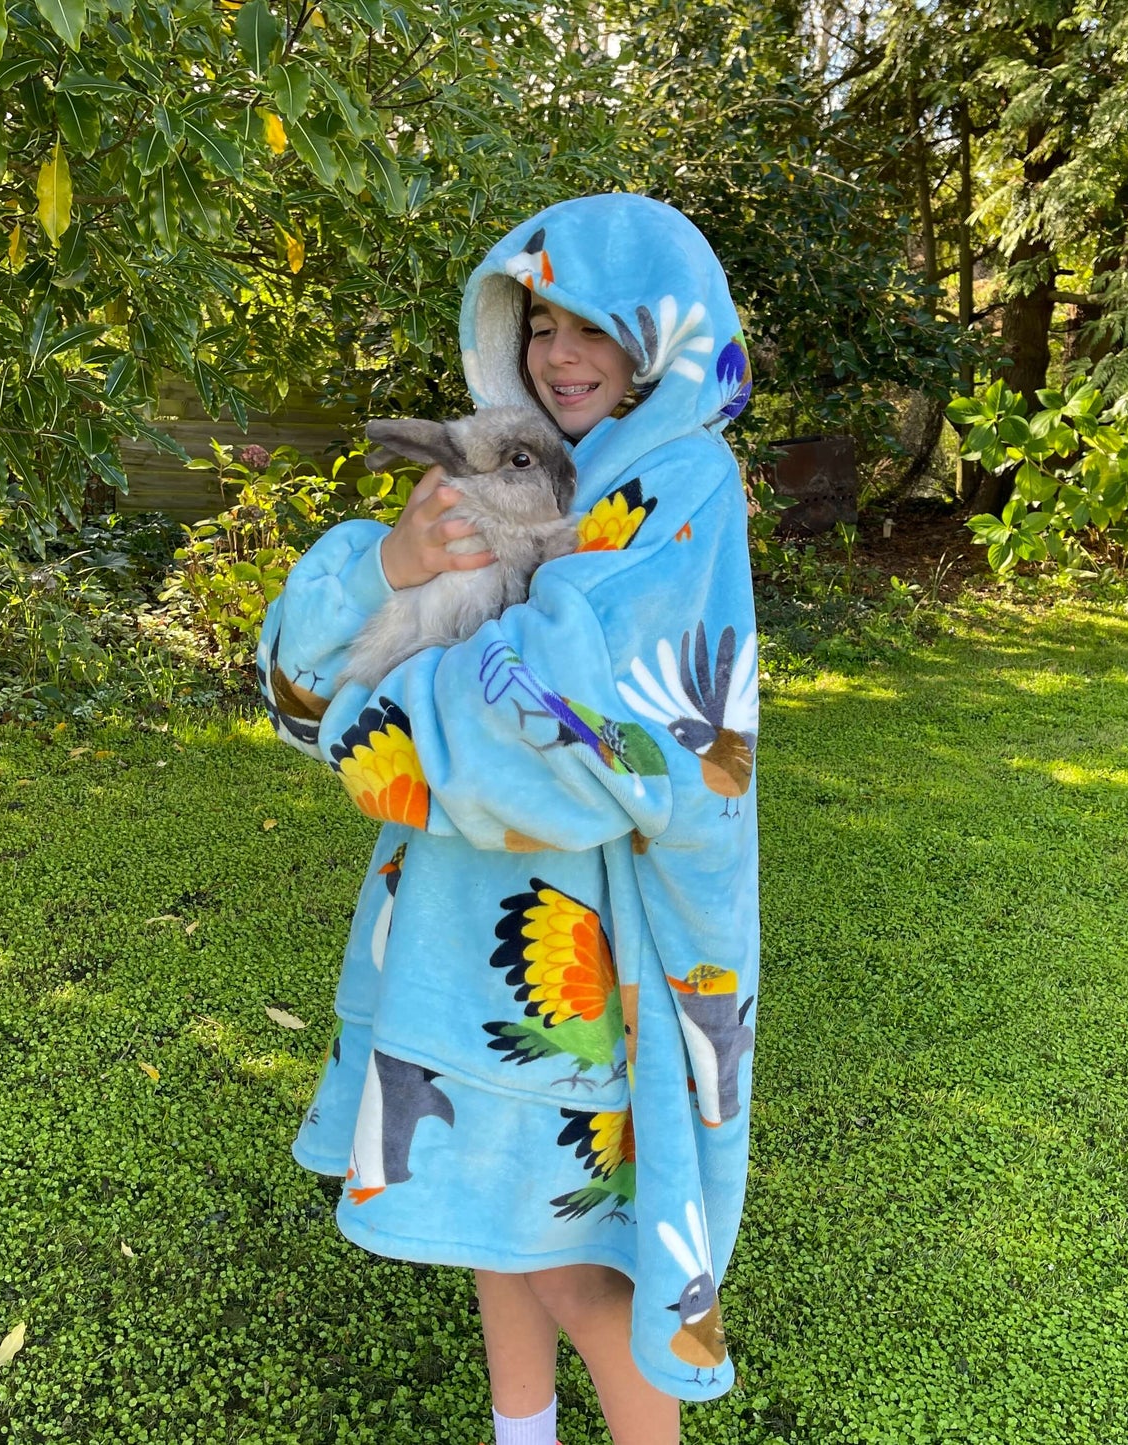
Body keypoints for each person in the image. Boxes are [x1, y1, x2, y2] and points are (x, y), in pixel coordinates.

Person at [257, 192, 759, 1445]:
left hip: (596, 948)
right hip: (452, 925)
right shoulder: (509, 465)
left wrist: (375, 710)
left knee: (575, 1261)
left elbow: (570, 727)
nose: (559, 352)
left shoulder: (678, 481)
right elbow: (293, 672)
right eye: (538, 320)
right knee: (495, 1218)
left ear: (661, 335)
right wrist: (391, 568)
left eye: (593, 323)